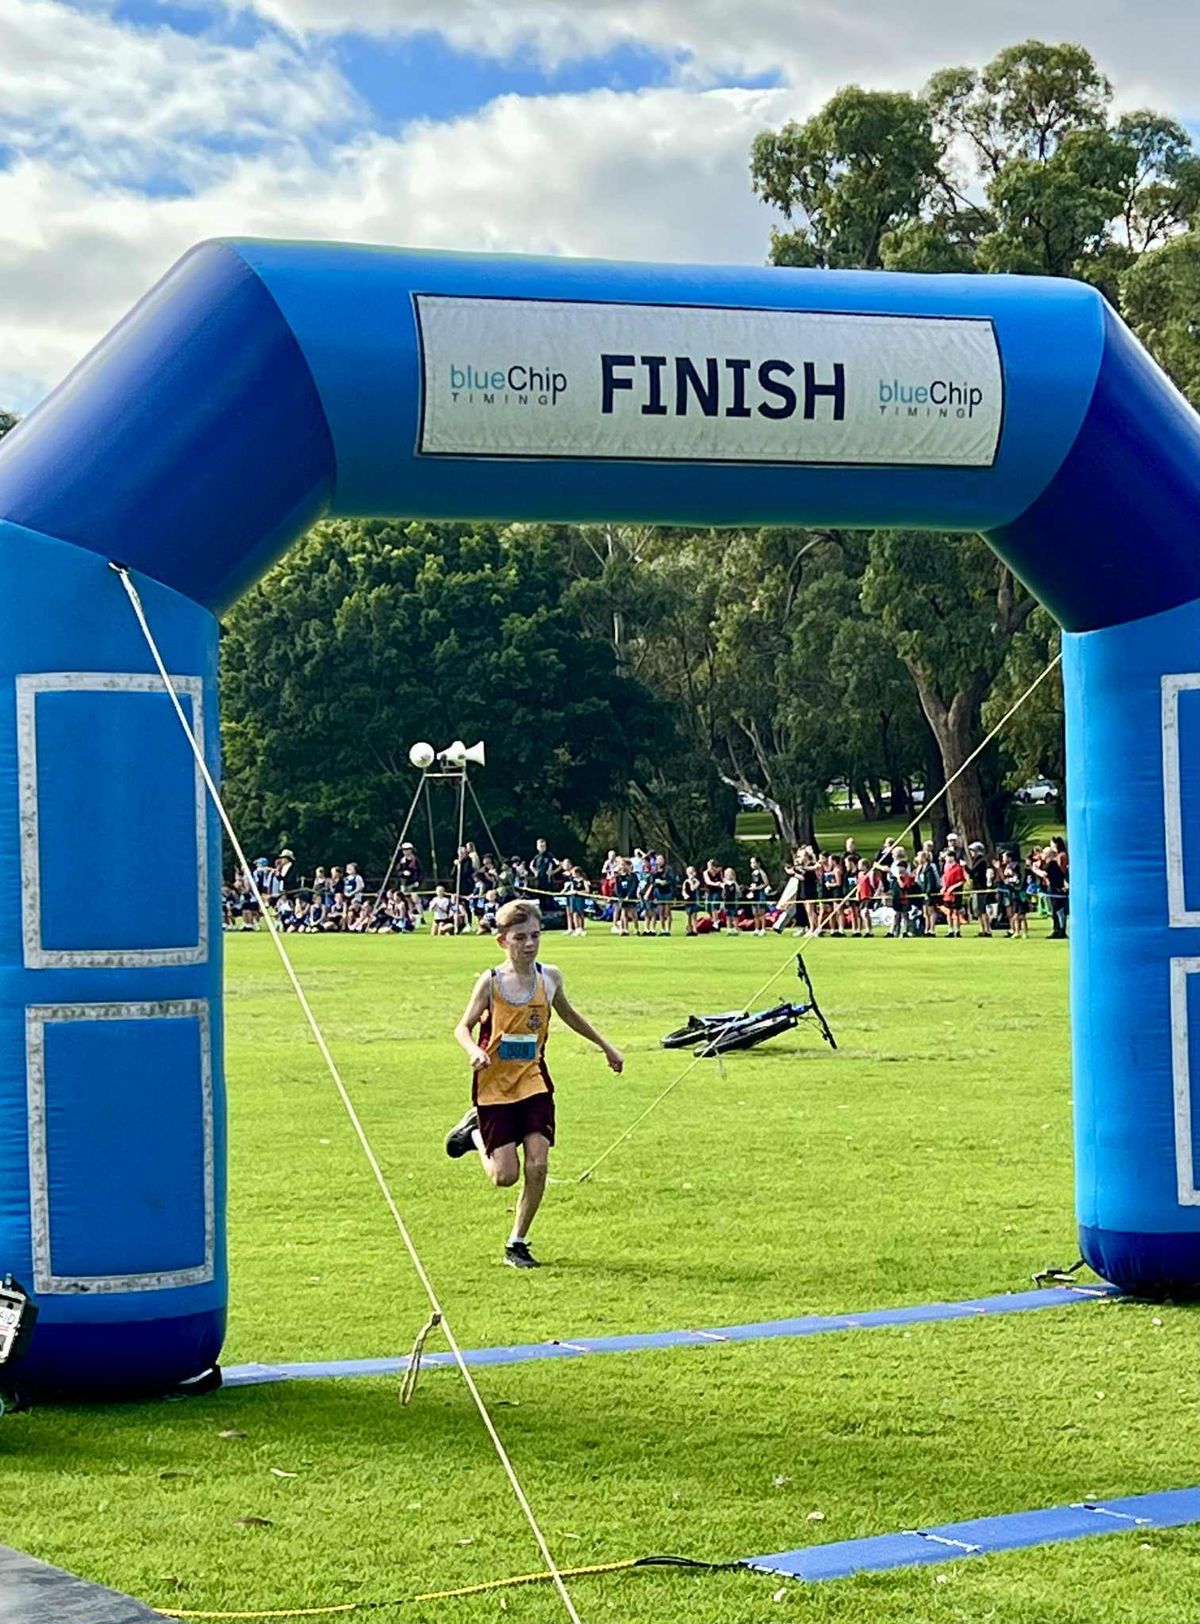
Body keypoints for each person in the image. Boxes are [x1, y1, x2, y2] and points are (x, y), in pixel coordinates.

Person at [446, 899, 623, 1268]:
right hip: (494, 1084)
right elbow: (462, 1027)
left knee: (538, 1164)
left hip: (533, 1081)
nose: (529, 944)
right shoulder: (491, 982)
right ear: (502, 941)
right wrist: (473, 1051)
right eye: (520, 937)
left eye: (535, 936)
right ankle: (474, 1134)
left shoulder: (549, 978)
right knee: (504, 1176)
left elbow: (570, 1014)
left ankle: (517, 1242)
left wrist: (606, 1047)